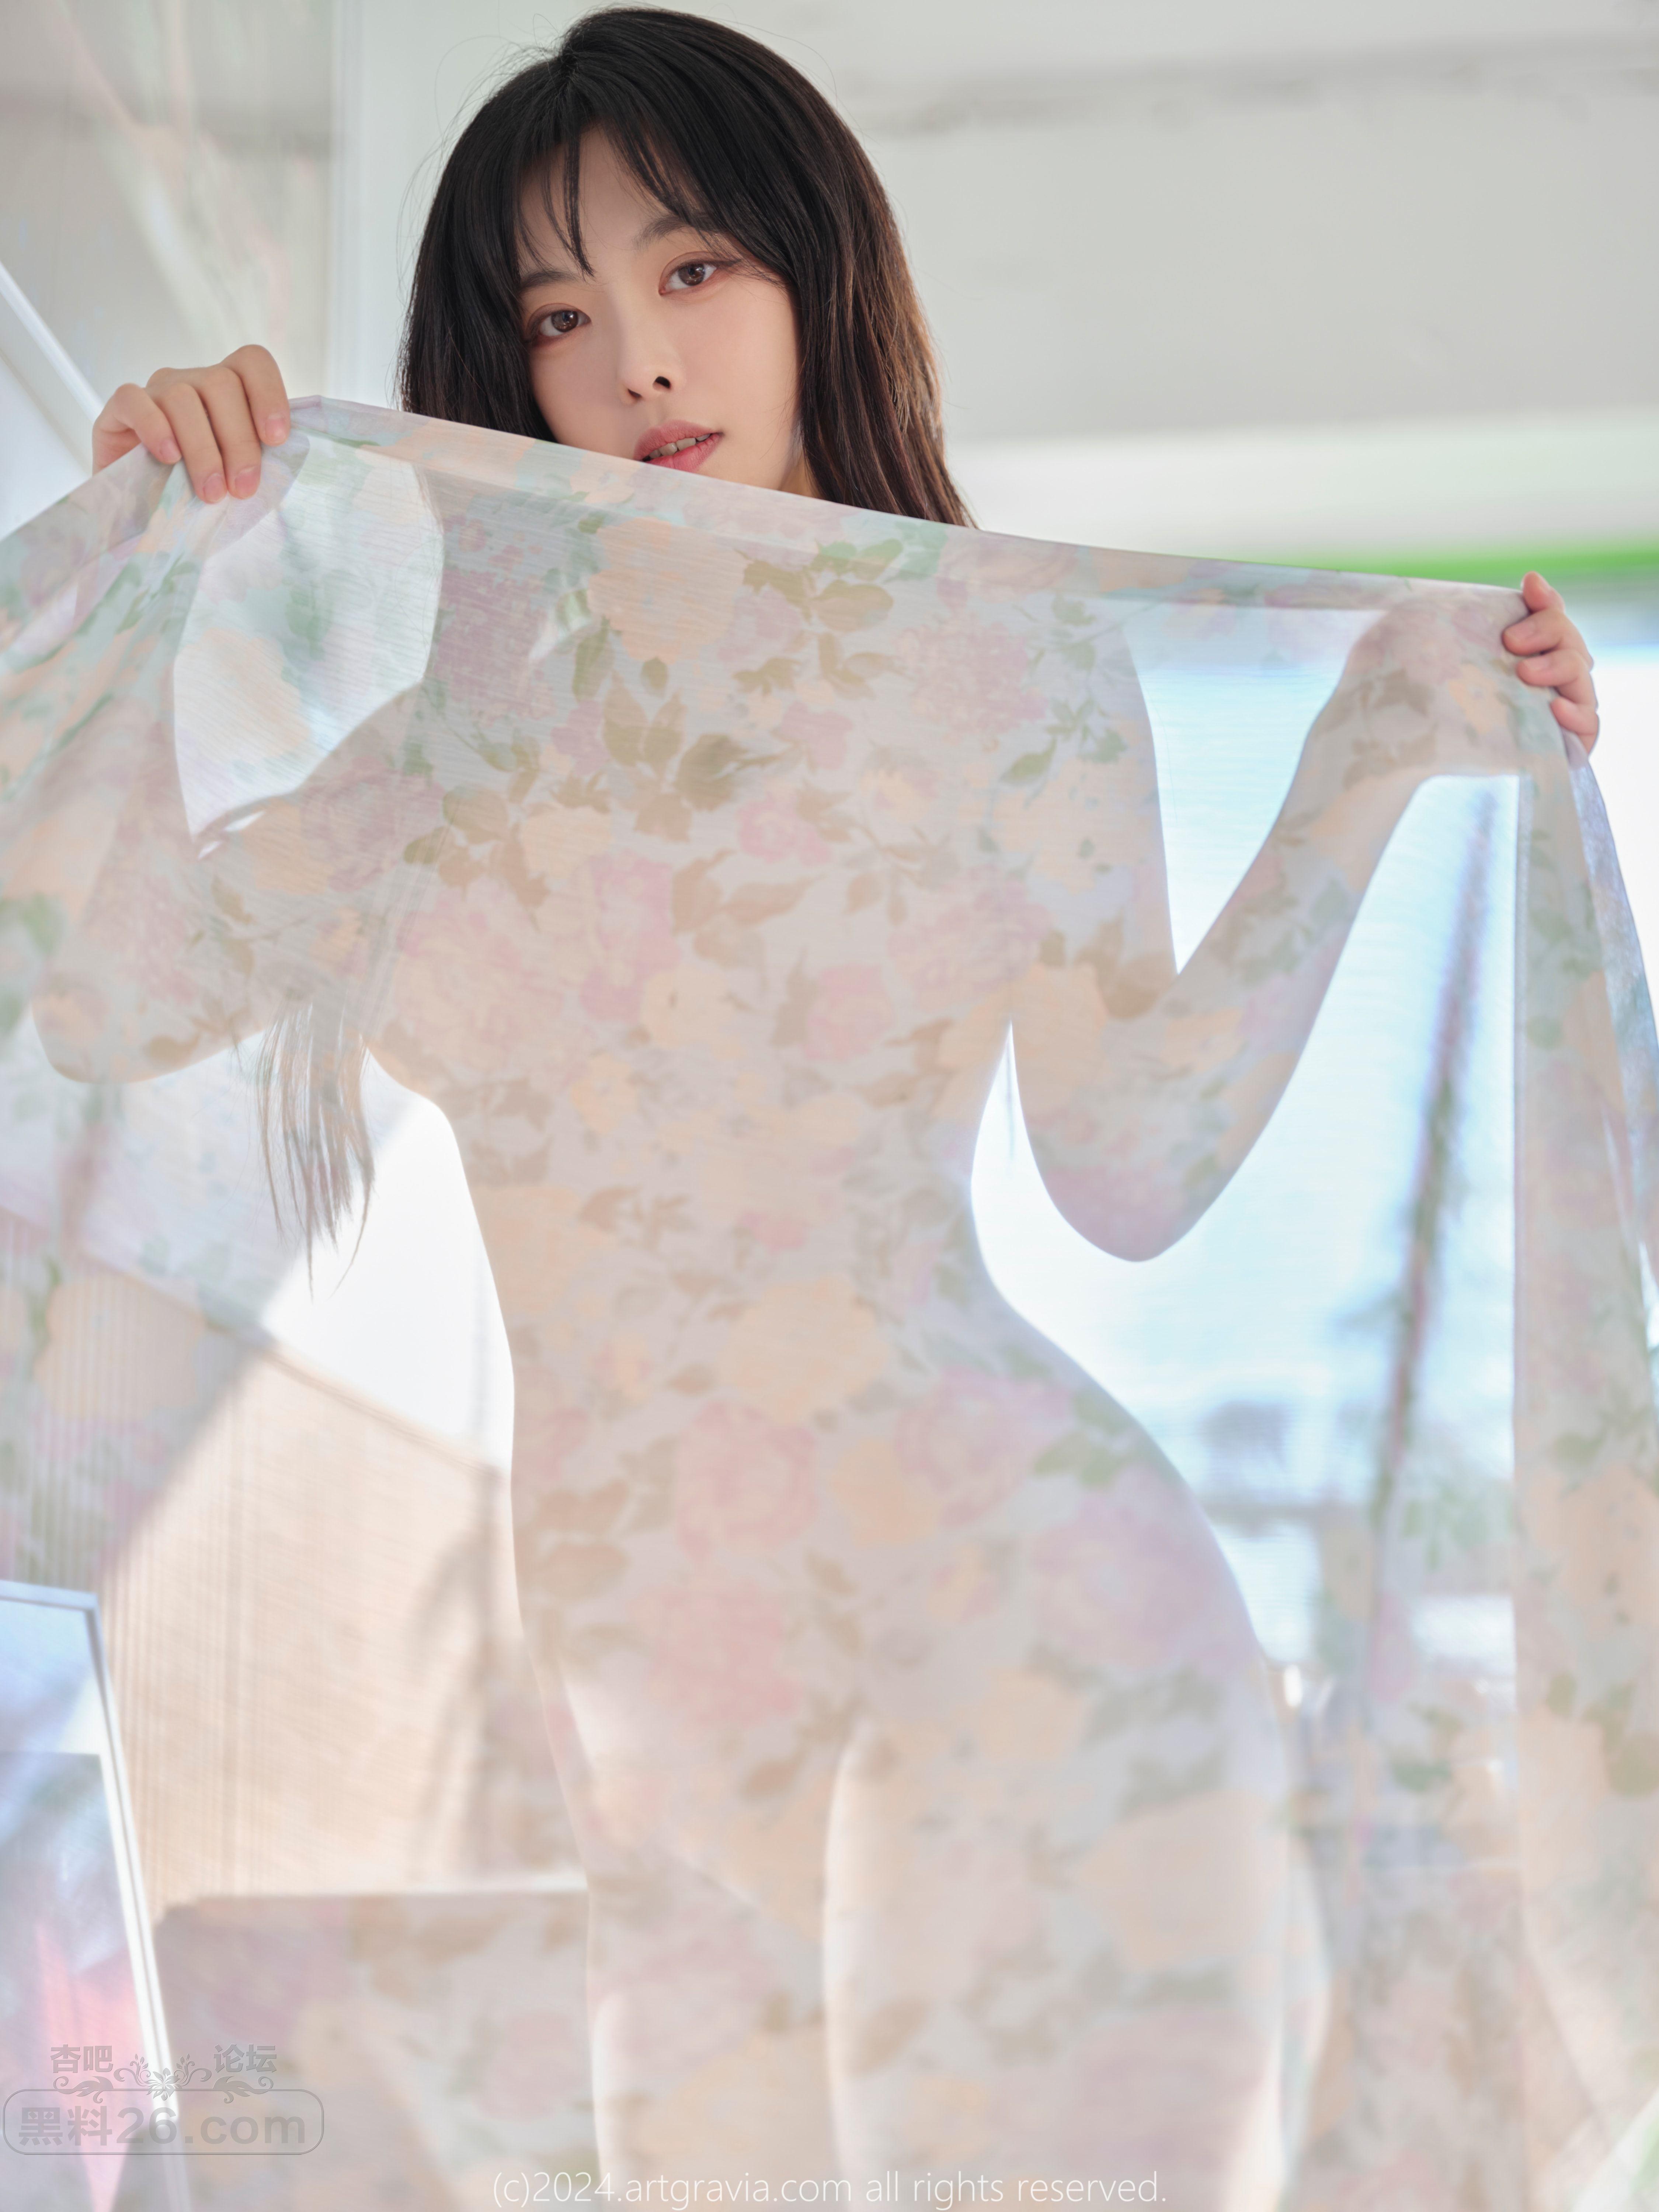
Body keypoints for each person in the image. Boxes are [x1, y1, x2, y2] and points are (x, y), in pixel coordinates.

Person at [70, 6, 1599, 2190]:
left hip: (1034, 1605)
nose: (639, 363)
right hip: (662, 1701)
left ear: (817, 280)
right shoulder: (450, 768)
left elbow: (1125, 1163)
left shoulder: (1000, 669)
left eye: (695, 269)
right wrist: (149, 555)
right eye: (561, 315)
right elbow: (109, 992)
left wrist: (1358, 761)